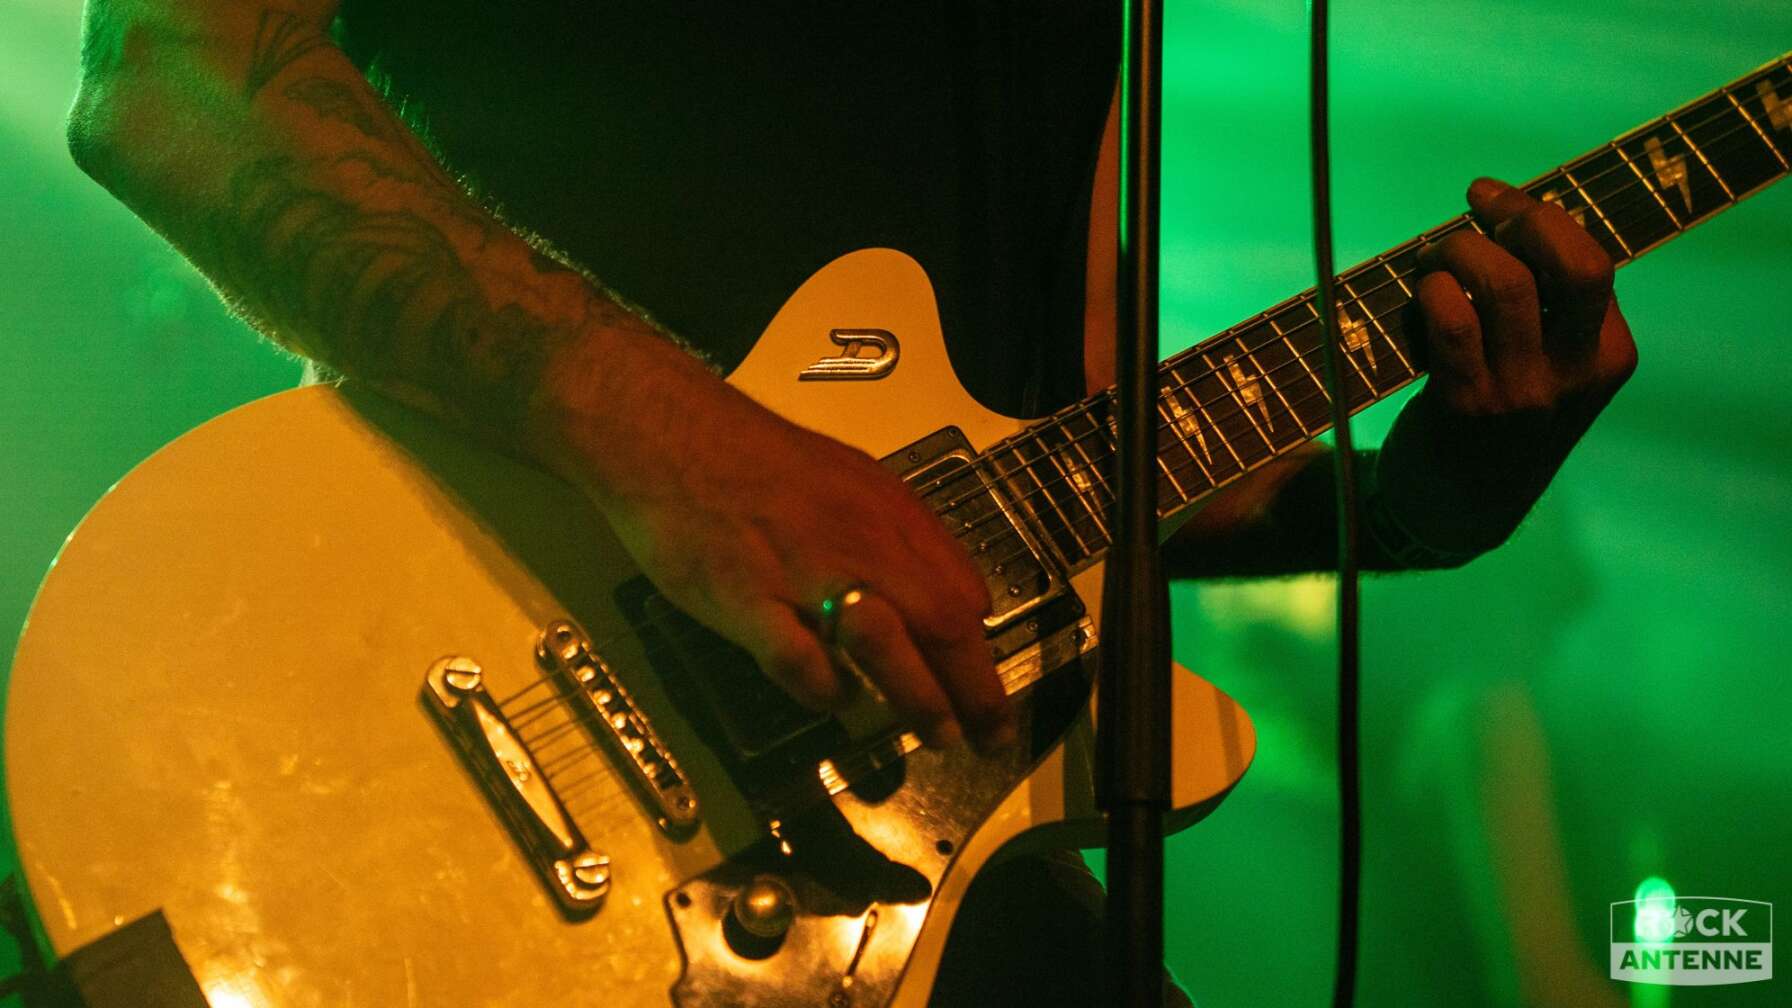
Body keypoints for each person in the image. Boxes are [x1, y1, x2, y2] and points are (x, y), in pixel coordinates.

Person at [62, 3, 1636, 1004]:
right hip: (432, 679)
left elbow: (1074, 420)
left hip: (897, 857)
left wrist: (1425, 504)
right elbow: (175, 76)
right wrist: (698, 457)